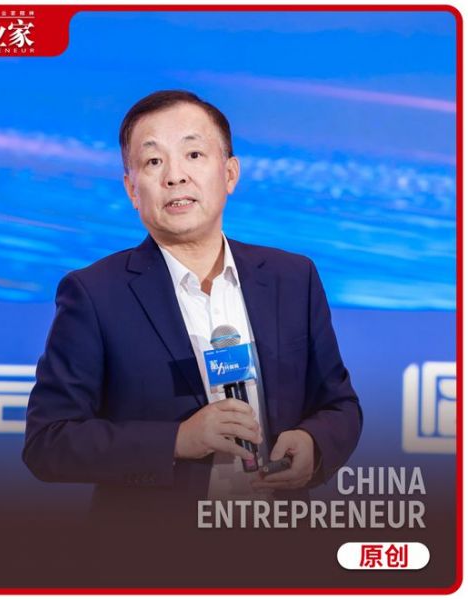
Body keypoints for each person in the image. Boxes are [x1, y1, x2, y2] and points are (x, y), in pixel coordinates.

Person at [22, 90, 362, 513]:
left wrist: (314, 445)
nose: (175, 176)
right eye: (153, 161)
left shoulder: (292, 278)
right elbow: (49, 442)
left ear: (230, 173)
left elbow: (339, 405)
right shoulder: (94, 293)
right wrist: (178, 440)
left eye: (194, 154)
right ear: (131, 189)